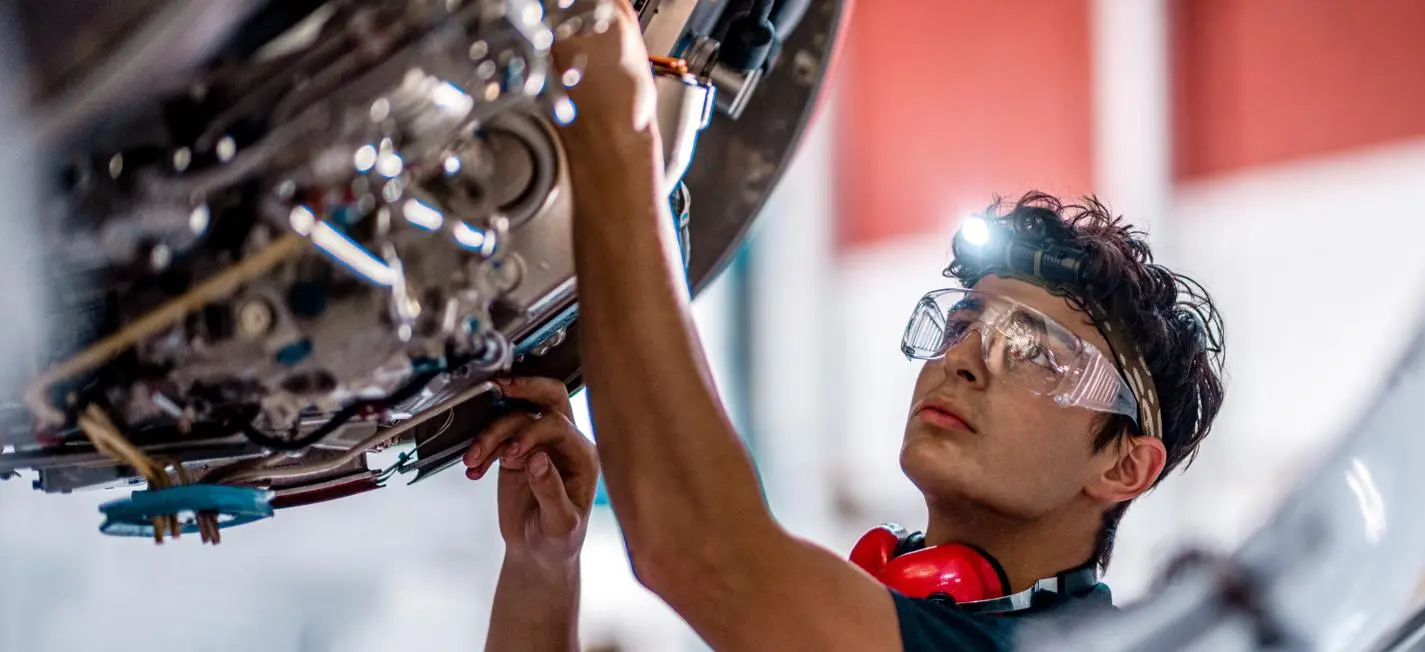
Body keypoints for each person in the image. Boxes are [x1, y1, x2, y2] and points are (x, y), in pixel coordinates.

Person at [467, 2, 1226, 650]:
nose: (962, 359)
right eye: (963, 321)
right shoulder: (915, 618)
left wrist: (622, 140)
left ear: (1125, 466)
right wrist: (544, 568)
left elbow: (700, 547)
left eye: (1032, 351)